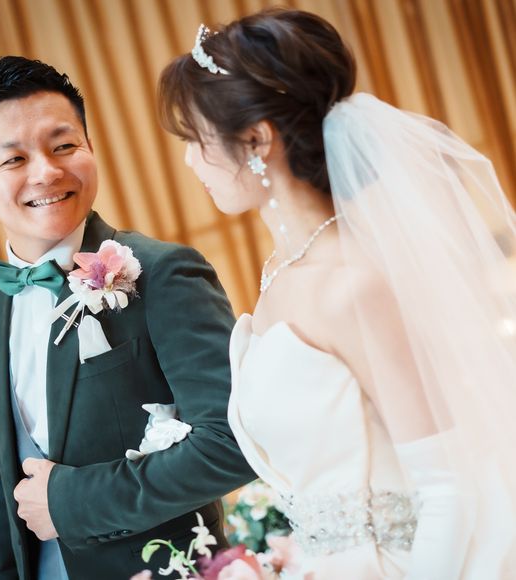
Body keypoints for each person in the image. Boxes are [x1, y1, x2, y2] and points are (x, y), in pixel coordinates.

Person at [158, 8, 516, 579]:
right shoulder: (280, 271)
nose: (188, 159)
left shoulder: (353, 285)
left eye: (197, 139)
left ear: (257, 140)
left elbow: (449, 488)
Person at [0, 56, 255, 580]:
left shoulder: (163, 273)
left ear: (90, 148)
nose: (46, 172)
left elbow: (233, 443)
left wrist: (70, 502)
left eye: (64, 146)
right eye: (14, 159)